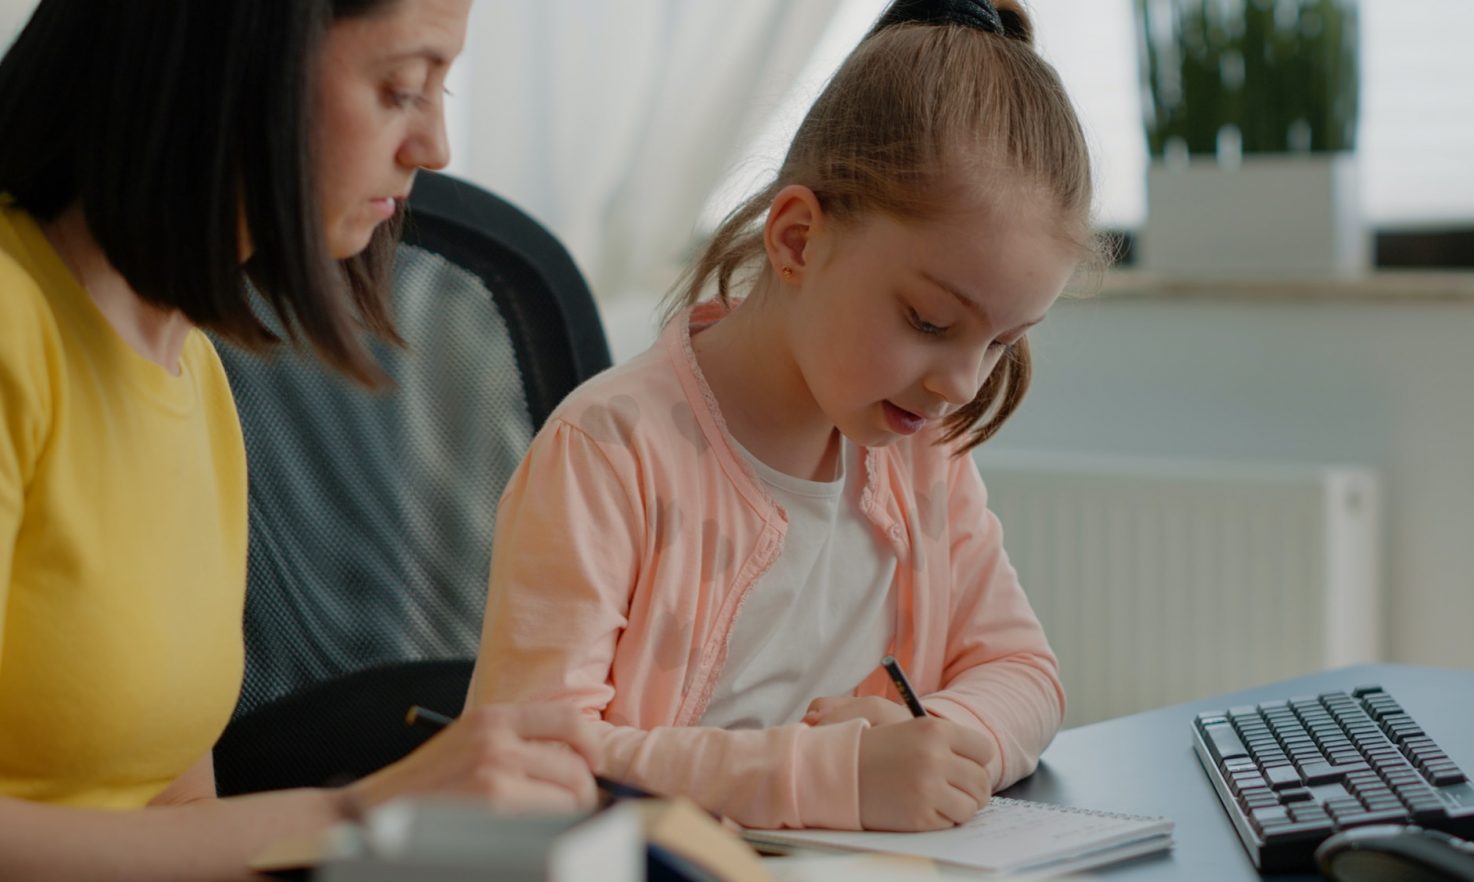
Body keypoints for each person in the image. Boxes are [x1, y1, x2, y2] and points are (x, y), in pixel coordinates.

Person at [470, 0, 1106, 832]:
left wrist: (940, 741)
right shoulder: (609, 454)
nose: (960, 383)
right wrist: (827, 776)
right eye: (930, 323)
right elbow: (528, 762)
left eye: (1001, 344)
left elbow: (1024, 669)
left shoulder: (923, 451)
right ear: (799, 241)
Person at [0, 1, 598, 878]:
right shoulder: (14, 328)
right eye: (402, 87)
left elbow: (174, 811)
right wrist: (361, 813)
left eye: (443, 89)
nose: (434, 147)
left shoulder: (189, 362)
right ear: (230, 59)